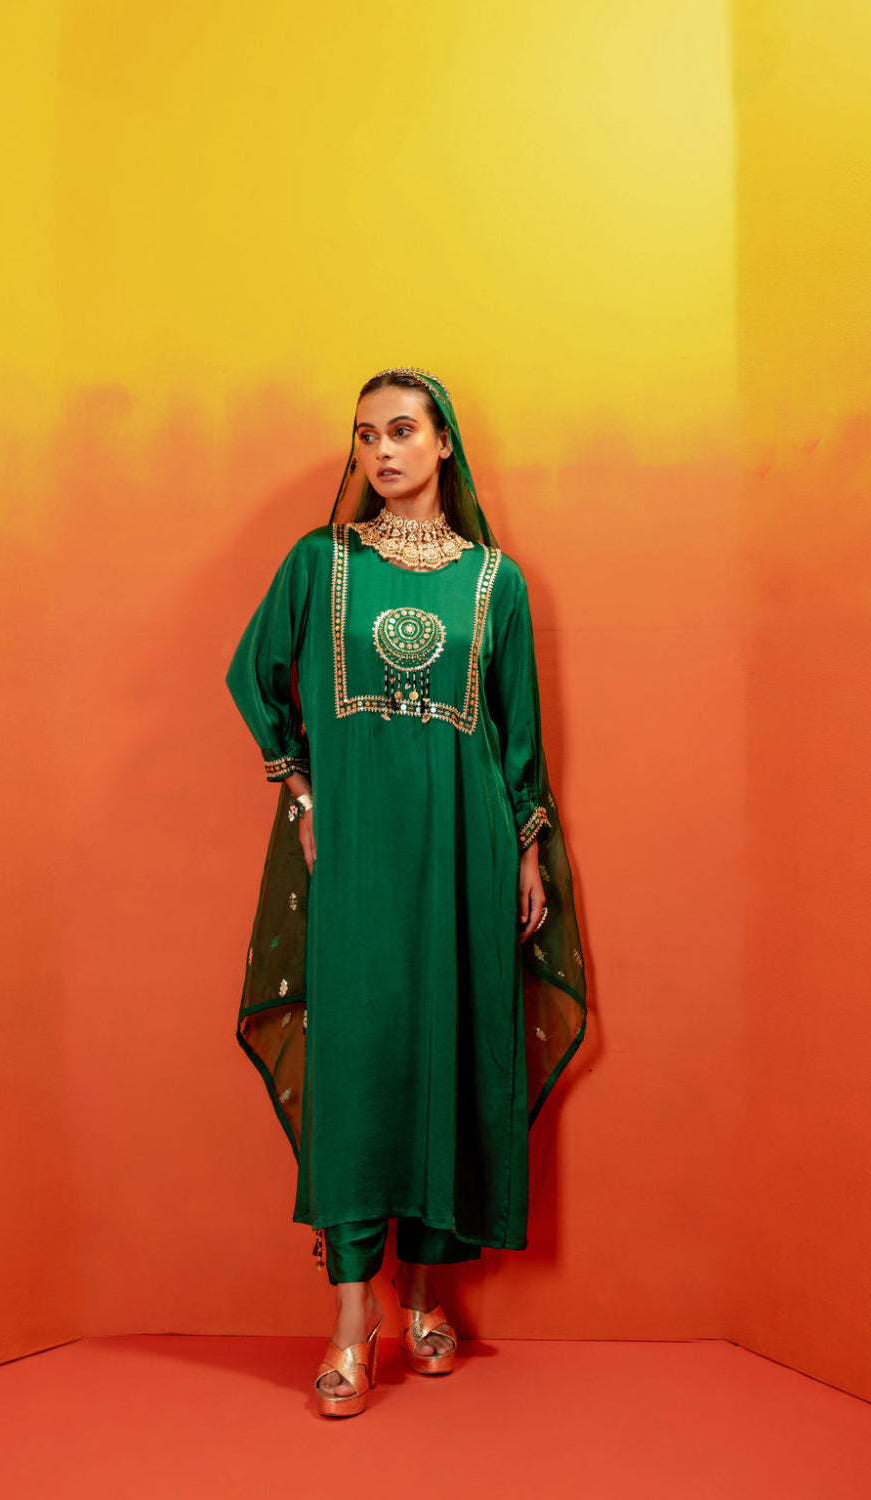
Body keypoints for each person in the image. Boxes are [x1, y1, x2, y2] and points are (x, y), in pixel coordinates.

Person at [226, 366, 586, 1418]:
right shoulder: (321, 561)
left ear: (442, 443)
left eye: (399, 431)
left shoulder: (495, 582)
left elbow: (517, 732)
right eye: (364, 436)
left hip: (469, 843)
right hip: (360, 848)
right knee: (357, 1058)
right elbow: (255, 674)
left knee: (449, 1047)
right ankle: (353, 1319)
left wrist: (526, 851)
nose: (380, 451)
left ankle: (424, 1294)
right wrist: (302, 792)